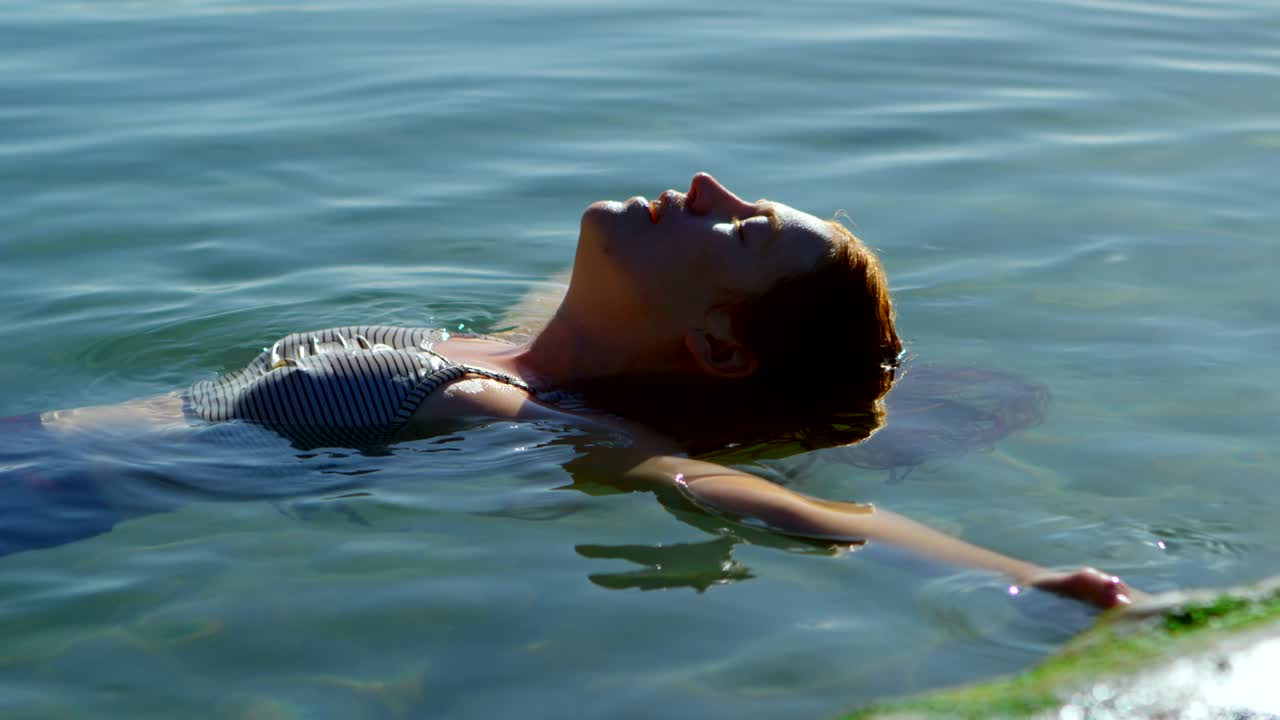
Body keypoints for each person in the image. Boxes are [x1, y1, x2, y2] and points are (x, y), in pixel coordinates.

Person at [4, 172, 1139, 609]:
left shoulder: (493, 405)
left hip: (43, 496)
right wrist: (844, 370)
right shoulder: (520, 348)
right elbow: (625, 315)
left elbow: (739, 497)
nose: (703, 183)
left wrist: (1022, 576)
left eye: (738, 227)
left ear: (717, 345)